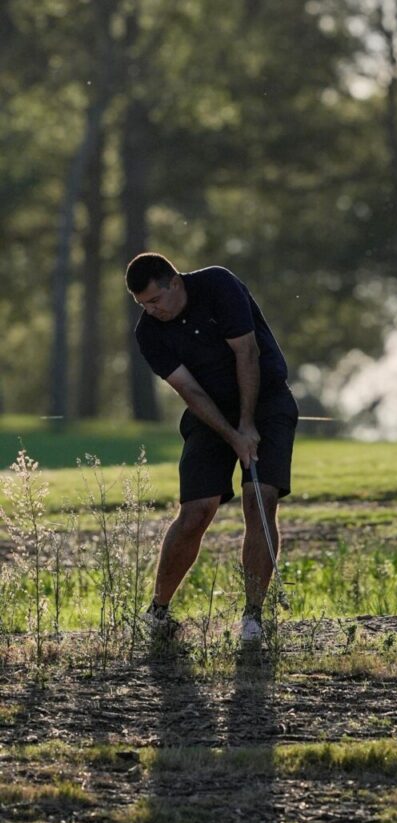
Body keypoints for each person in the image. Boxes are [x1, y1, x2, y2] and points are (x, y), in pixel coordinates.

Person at [125, 252, 298, 643]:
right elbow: (189, 390)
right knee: (195, 512)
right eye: (142, 305)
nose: (151, 311)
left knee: (259, 499)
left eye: (154, 300)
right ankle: (158, 614)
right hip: (210, 412)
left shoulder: (218, 285)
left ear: (174, 282)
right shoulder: (148, 333)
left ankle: (253, 618)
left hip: (267, 402)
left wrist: (248, 424)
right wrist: (233, 435)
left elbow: (247, 354)